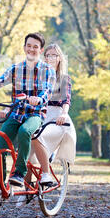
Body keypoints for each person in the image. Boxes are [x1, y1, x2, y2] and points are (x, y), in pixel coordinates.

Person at [0, 32, 56, 206]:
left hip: (35, 114)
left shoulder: (48, 70)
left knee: (25, 131)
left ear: (41, 50)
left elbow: (47, 91)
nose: (31, 49)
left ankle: (19, 174)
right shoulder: (16, 68)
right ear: (24, 47)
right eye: (29, 45)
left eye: (35, 47)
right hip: (16, 112)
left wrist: (39, 99)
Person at [24, 43, 77, 193]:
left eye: (54, 55)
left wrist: (64, 113)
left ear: (60, 58)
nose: (50, 58)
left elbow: (66, 99)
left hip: (57, 118)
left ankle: (47, 167)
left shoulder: (64, 78)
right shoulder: (38, 77)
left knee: (37, 136)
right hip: (40, 115)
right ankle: (26, 190)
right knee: (26, 150)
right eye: (47, 55)